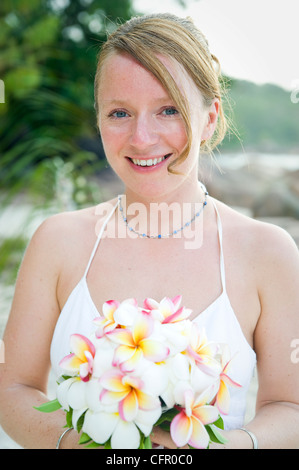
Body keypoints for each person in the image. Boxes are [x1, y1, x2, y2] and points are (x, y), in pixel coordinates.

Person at [0, 12, 299, 450]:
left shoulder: (267, 252)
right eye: (120, 112)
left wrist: (222, 447)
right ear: (99, 119)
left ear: (210, 118)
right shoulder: (57, 242)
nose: (142, 138)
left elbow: (291, 407)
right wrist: (77, 444)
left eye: (168, 110)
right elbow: (12, 389)